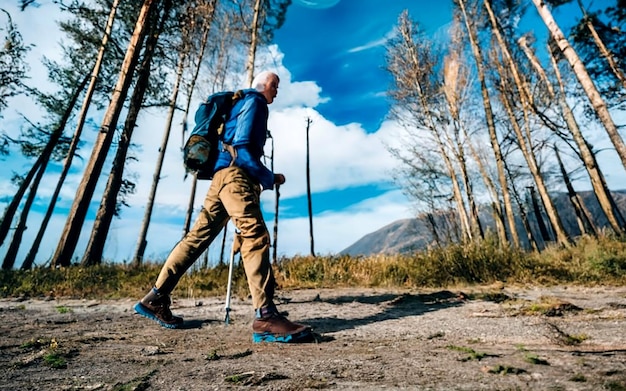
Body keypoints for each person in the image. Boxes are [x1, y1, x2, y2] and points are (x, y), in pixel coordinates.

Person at [134, 71, 312, 343]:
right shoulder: (255, 102)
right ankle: (266, 316)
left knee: (197, 238)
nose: (276, 91)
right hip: (236, 178)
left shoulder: (238, 104)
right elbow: (242, 149)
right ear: (262, 85)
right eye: (274, 85)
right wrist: (268, 177)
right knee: (254, 235)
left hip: (220, 178)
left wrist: (264, 176)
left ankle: (155, 297)